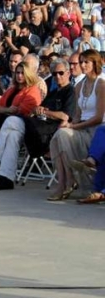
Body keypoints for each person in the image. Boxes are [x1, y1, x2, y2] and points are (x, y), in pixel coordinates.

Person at [0, 59, 75, 190]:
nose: (57, 76)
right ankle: (6, 179)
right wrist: (37, 110)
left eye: (61, 73)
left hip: (47, 132)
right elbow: (37, 110)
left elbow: (66, 116)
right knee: (12, 136)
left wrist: (47, 112)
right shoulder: (53, 92)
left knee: (11, 121)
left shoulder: (70, 91)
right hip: (36, 126)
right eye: (54, 74)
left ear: (68, 73)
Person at [48, 49, 105, 201]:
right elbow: (77, 116)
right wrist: (69, 123)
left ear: (95, 63)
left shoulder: (101, 84)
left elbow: (99, 118)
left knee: (62, 135)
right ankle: (65, 182)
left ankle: (67, 183)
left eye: (87, 62)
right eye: (81, 62)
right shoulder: (79, 86)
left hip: (97, 130)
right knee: (59, 135)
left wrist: (73, 127)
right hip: (81, 127)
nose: (83, 65)